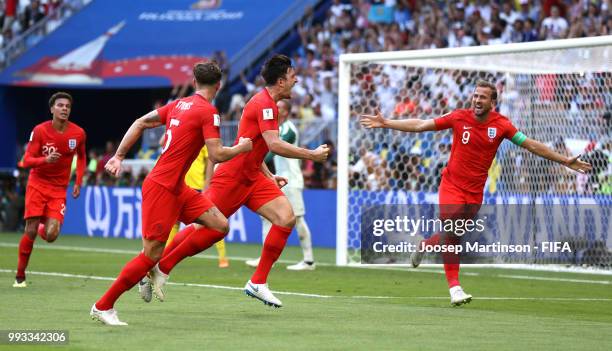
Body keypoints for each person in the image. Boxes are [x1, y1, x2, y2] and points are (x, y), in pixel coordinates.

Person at [360, 80, 592, 306]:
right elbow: (421, 125)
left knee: (453, 234)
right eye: (475, 95)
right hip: (451, 185)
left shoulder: (502, 125)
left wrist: (564, 160)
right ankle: (455, 289)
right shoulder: (459, 117)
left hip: (475, 193)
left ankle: (424, 245)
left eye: (482, 97)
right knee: (451, 234)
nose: (477, 100)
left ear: (493, 102)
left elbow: (530, 144)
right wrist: (387, 122)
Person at [147, 54, 329, 308]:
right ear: (280, 81)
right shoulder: (264, 105)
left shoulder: (268, 105)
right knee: (205, 228)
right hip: (231, 177)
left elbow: (254, 145)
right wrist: (311, 154)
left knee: (286, 218)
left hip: (253, 177)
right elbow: (274, 144)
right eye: (291, 76)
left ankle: (258, 282)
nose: (296, 80)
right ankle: (159, 266)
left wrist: (268, 174)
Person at [90, 61, 252, 326]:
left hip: (178, 188)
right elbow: (217, 154)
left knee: (219, 225)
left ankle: (161, 267)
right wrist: (242, 147)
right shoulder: (208, 112)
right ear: (219, 86)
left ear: (194, 81)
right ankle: (103, 305)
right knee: (149, 254)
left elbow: (140, 122)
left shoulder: (179, 104)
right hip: (162, 188)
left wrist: (119, 156)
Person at [14, 92, 86, 288]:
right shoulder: (39, 131)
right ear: (52, 109)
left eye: (67, 106)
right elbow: (26, 160)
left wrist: (78, 181)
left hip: (58, 189)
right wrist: (45, 160)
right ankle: (20, 276)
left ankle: (40, 227)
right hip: (37, 184)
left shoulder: (78, 133)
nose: (64, 109)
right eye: (60, 105)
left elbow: (81, 157)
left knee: (52, 235)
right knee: (29, 230)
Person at [246, 99, 315, 270]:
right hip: (277, 179)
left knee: (297, 218)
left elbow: (271, 153)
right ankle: (267, 258)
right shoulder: (275, 129)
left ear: (286, 112)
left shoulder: (288, 129)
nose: (276, 110)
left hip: (291, 180)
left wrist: (255, 159)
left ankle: (308, 261)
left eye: (279, 108)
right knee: (267, 216)